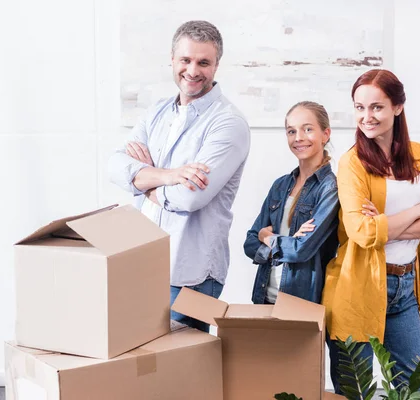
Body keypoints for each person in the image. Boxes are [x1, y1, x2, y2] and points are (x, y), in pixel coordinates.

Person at [108, 20, 251, 332]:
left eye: (204, 62)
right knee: (142, 369)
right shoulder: (157, 112)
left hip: (191, 274)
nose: (193, 70)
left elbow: (189, 197)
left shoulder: (228, 124)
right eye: (185, 60)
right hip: (145, 267)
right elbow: (115, 167)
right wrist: (170, 175)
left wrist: (142, 183)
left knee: (184, 375)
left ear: (217, 65)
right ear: (172, 60)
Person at [322, 69, 420, 398]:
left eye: (376, 107)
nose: (366, 117)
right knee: (356, 392)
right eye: (359, 107)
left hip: (405, 287)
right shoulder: (352, 163)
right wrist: (418, 210)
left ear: (397, 107)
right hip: (356, 288)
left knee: (419, 389)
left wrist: (386, 222)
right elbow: (362, 232)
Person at [244, 101, 339, 305]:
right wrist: (281, 241)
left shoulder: (330, 189)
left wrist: (267, 237)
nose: (298, 138)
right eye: (291, 131)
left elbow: (300, 250)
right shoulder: (280, 185)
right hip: (264, 298)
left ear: (326, 134)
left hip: (301, 303)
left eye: (308, 129)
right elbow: (250, 243)